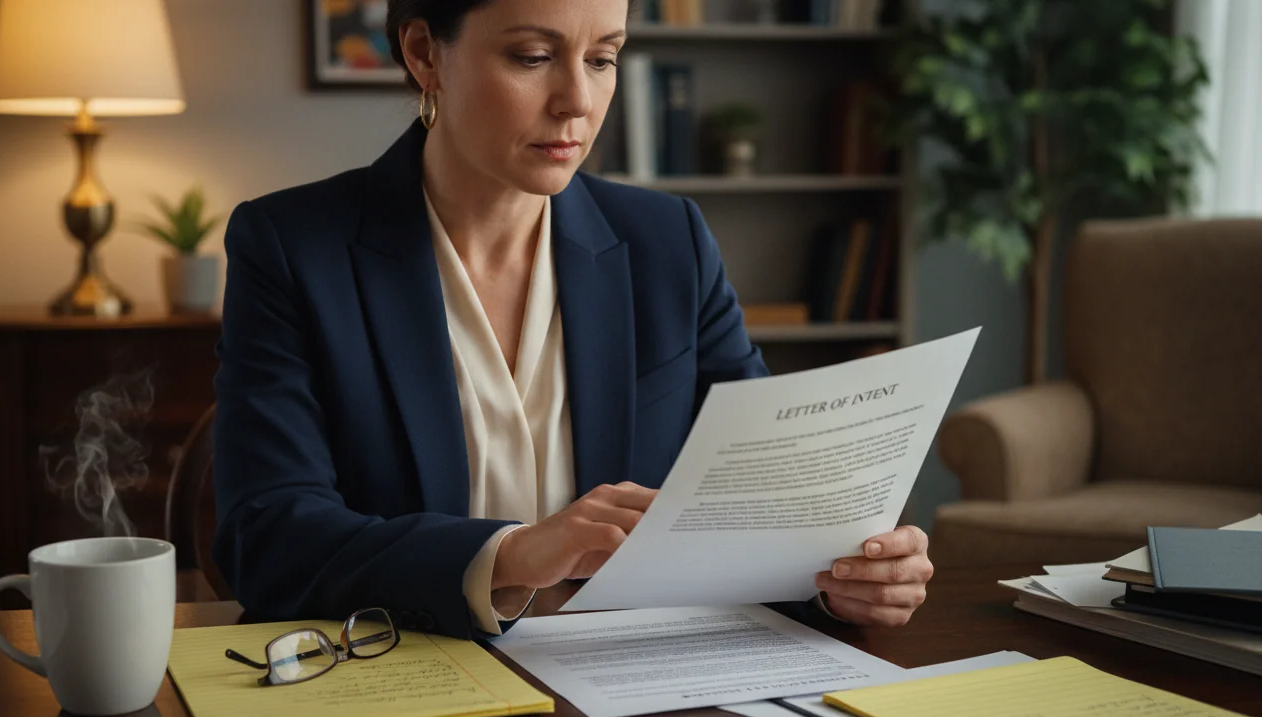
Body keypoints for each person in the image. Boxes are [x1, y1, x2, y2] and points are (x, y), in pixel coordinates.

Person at [212, 0, 933, 640]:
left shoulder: (667, 241)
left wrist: (843, 577)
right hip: (405, 690)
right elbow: (268, 541)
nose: (577, 102)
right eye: (532, 57)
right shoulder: (292, 247)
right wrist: (514, 554)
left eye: (602, 58)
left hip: (639, 698)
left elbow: (760, 503)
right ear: (425, 53)